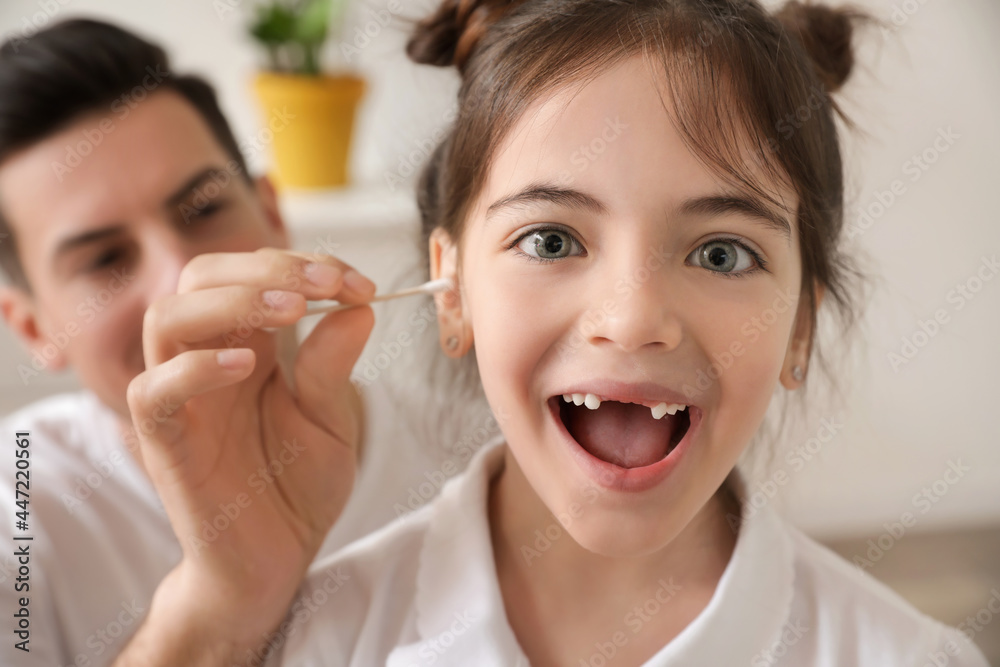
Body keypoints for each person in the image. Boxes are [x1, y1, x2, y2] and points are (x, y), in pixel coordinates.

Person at [222, 0, 987, 664]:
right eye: (551, 240)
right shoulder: (314, 638)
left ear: (800, 328)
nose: (630, 320)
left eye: (722, 253)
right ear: (451, 290)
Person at [0, 18, 478, 667]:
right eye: (105, 259)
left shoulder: (479, 462)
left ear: (273, 214)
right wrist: (219, 603)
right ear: (31, 326)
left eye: (203, 210)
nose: (179, 280)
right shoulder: (14, 505)